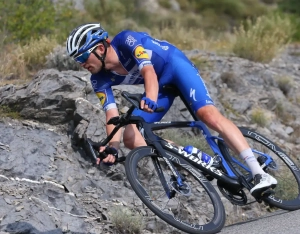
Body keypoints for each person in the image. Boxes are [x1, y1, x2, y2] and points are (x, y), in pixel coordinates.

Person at [66, 23, 277, 197]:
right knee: (131, 136)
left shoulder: (126, 40)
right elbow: (111, 115)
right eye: (77, 60)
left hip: (175, 68)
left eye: (83, 57)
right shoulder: (98, 79)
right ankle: (194, 156)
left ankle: (260, 174)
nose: (81, 64)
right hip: (161, 86)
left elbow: (147, 70)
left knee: (208, 115)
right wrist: (113, 147)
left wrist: (149, 96)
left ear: (100, 48)